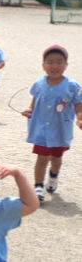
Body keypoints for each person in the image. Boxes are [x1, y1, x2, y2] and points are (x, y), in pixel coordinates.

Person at [21, 45, 82, 203]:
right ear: (43, 65)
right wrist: (29, 109)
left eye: (59, 62)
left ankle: (53, 176)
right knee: (41, 158)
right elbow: (35, 98)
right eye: (50, 62)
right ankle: (38, 186)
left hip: (60, 128)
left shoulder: (71, 85)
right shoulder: (39, 83)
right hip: (42, 128)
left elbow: (78, 103)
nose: (54, 66)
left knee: (56, 157)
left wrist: (80, 117)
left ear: (66, 65)